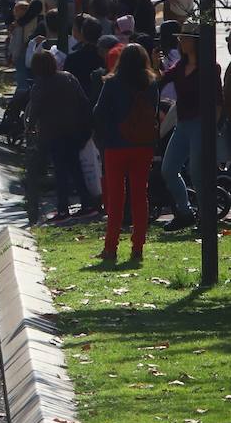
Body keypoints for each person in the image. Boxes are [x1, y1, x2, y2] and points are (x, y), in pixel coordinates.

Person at [91, 43, 159, 263]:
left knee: (116, 198)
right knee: (140, 195)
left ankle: (111, 247)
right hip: (143, 145)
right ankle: (138, 247)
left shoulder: (112, 83)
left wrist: (107, 133)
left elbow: (98, 112)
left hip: (116, 145)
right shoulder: (151, 84)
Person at [160, 25, 225, 231]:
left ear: (196, 41)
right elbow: (161, 78)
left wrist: (211, 129)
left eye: (185, 38)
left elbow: (218, 102)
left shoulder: (210, 67)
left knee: (198, 172)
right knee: (168, 169)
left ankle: (207, 218)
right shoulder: (180, 66)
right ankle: (185, 212)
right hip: (183, 124)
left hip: (201, 124)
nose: (181, 42)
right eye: (181, 38)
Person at [25, 49, 99, 221]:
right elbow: (83, 101)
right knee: (75, 168)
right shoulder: (68, 78)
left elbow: (34, 110)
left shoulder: (40, 86)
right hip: (74, 131)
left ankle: (63, 209)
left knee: (60, 172)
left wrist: (30, 127)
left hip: (53, 133)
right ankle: (86, 203)